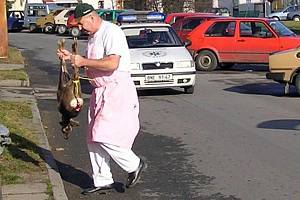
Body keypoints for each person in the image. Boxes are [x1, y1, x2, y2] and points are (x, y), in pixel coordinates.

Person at [57, 3, 145, 194]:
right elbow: (93, 64)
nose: (80, 28)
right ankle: (102, 179)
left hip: (116, 89)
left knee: (103, 133)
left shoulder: (111, 32)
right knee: (93, 138)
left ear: (91, 17)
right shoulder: (94, 36)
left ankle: (134, 164)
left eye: (80, 24)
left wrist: (83, 61)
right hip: (101, 91)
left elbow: (112, 63)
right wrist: (72, 57)